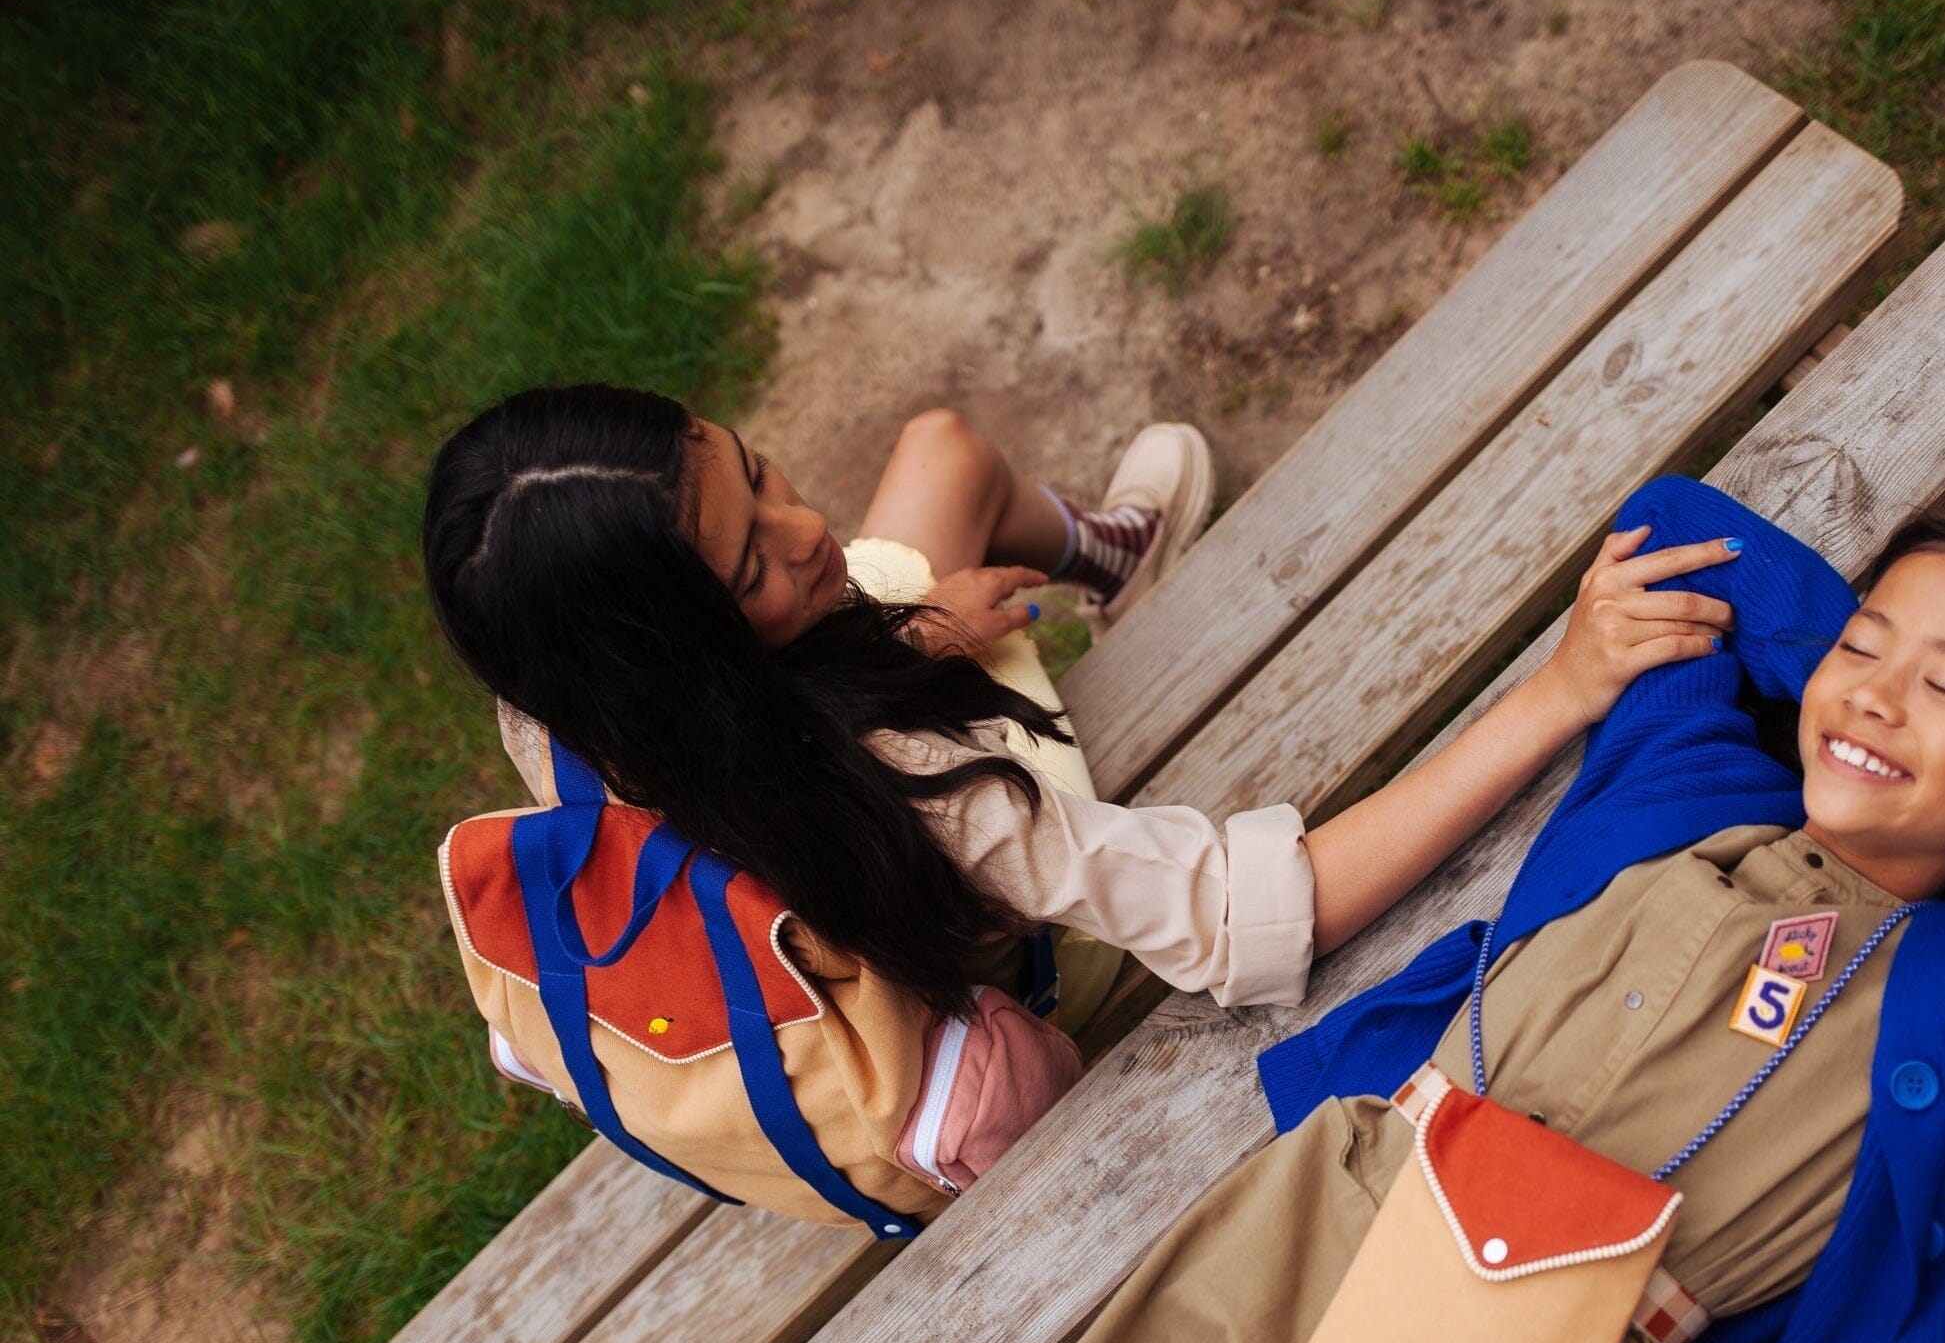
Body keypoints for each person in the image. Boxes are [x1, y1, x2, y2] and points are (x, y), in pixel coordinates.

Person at [611, 478, 1945, 1343]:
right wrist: (1867, 659)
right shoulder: (1700, 782)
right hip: (1319, 1223)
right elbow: (1679, 524)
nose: (1875, 698)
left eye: (1942, 688)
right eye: (1859, 648)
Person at [424, 383, 1733, 1088]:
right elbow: (1250, 914)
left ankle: (1116, 557)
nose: (806, 530)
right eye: (751, 571)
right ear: (687, 657)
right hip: (1021, 973)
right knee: (950, 470)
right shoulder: (922, 794)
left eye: (756, 472)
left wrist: (910, 625)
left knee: (940, 450)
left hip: (786, 829)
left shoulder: (557, 701)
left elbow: (754, 707)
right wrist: (1560, 688)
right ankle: (1118, 559)